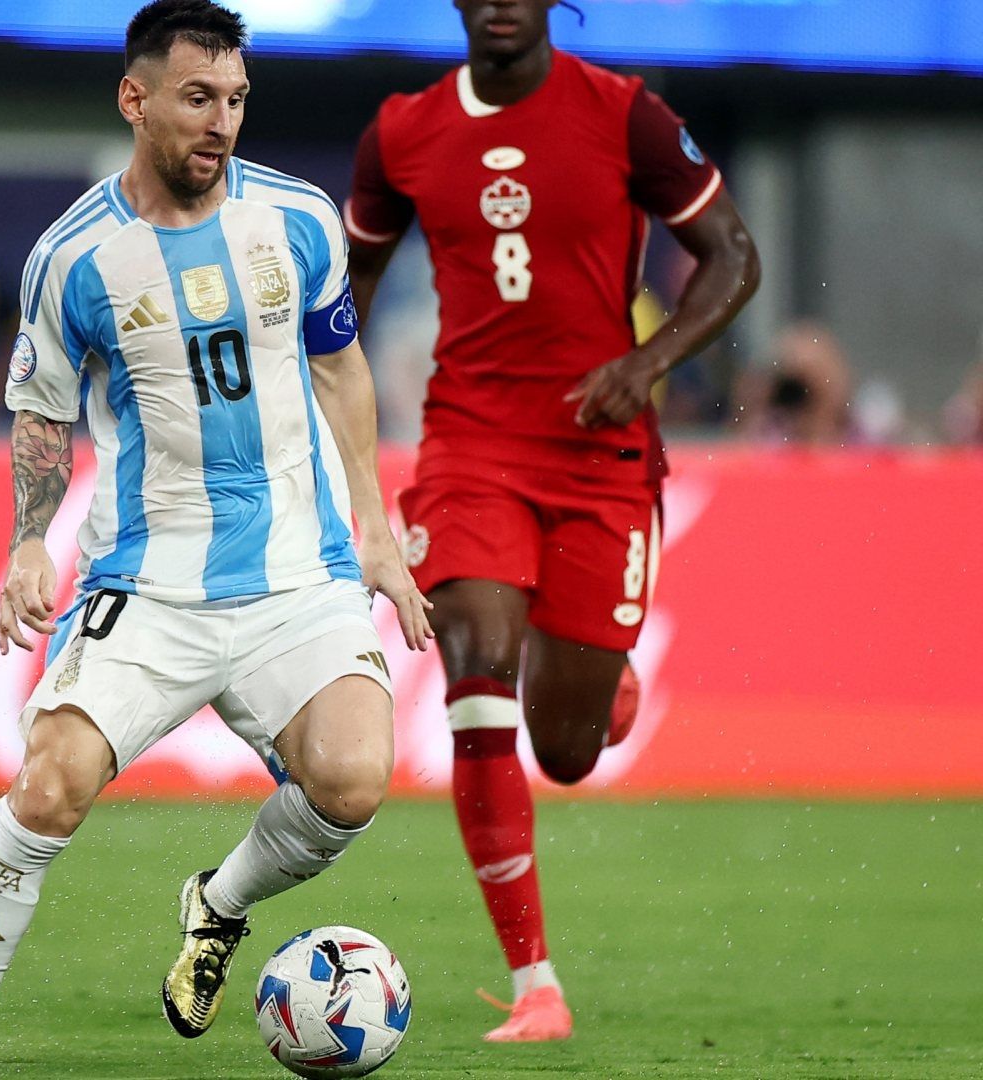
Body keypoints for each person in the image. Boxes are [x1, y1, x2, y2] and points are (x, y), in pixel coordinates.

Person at [0, 3, 433, 1076]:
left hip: (299, 571)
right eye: (198, 98)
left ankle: (218, 906)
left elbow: (339, 367)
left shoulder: (300, 220)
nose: (221, 121)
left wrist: (375, 528)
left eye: (236, 99)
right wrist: (28, 543)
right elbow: (44, 413)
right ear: (136, 100)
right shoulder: (76, 256)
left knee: (354, 780)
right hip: (151, 574)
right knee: (48, 785)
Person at [343, 0, 761, 1043]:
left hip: (600, 453)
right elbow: (345, 291)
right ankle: (536, 986)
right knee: (476, 660)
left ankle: (592, 673)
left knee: (567, 751)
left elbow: (733, 256)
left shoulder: (626, 116)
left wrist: (648, 362)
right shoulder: (402, 132)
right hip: (469, 444)